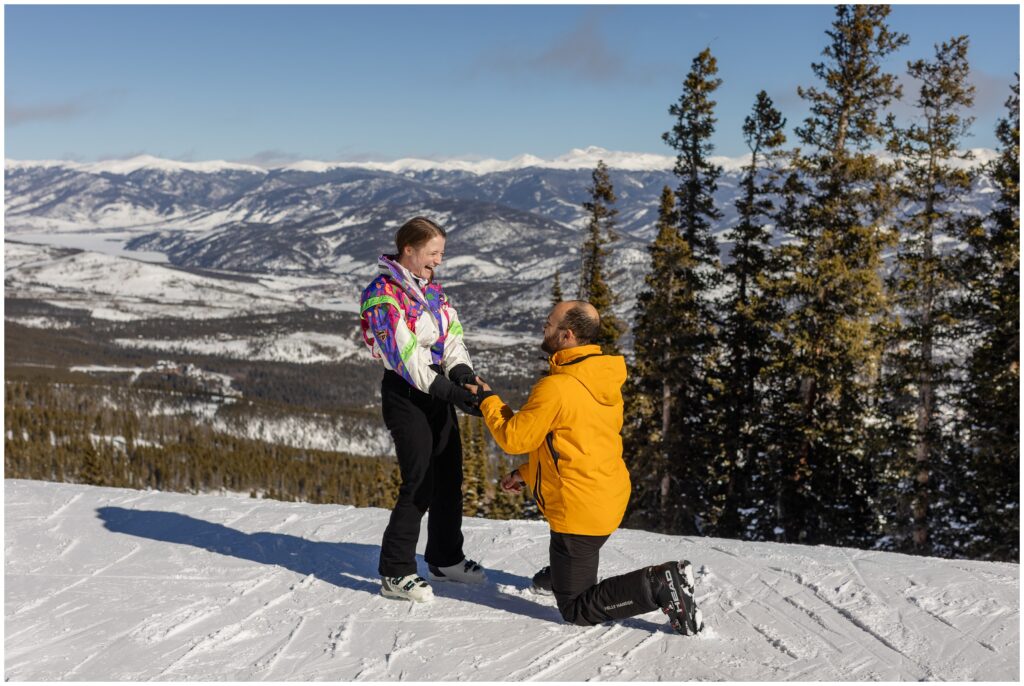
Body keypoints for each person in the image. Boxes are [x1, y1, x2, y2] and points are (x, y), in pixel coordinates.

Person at [467, 300, 703, 635]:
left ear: (566, 335)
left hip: (579, 513)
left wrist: (487, 399)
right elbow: (578, 443)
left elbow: (514, 438)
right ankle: (558, 576)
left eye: (549, 324)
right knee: (568, 564)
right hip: (608, 495)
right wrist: (525, 474)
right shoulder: (603, 379)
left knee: (576, 608)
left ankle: (659, 585)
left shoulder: (558, 386)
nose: (543, 328)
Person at [359, 216, 487, 603]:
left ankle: (445, 557)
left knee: (449, 474)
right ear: (409, 250)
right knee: (420, 481)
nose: (439, 262)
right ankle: (395, 572)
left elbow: (452, 334)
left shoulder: (431, 291)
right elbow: (405, 357)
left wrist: (461, 371)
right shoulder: (382, 294)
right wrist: (454, 392)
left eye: (441, 254)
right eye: (433, 253)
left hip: (438, 387)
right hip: (406, 393)